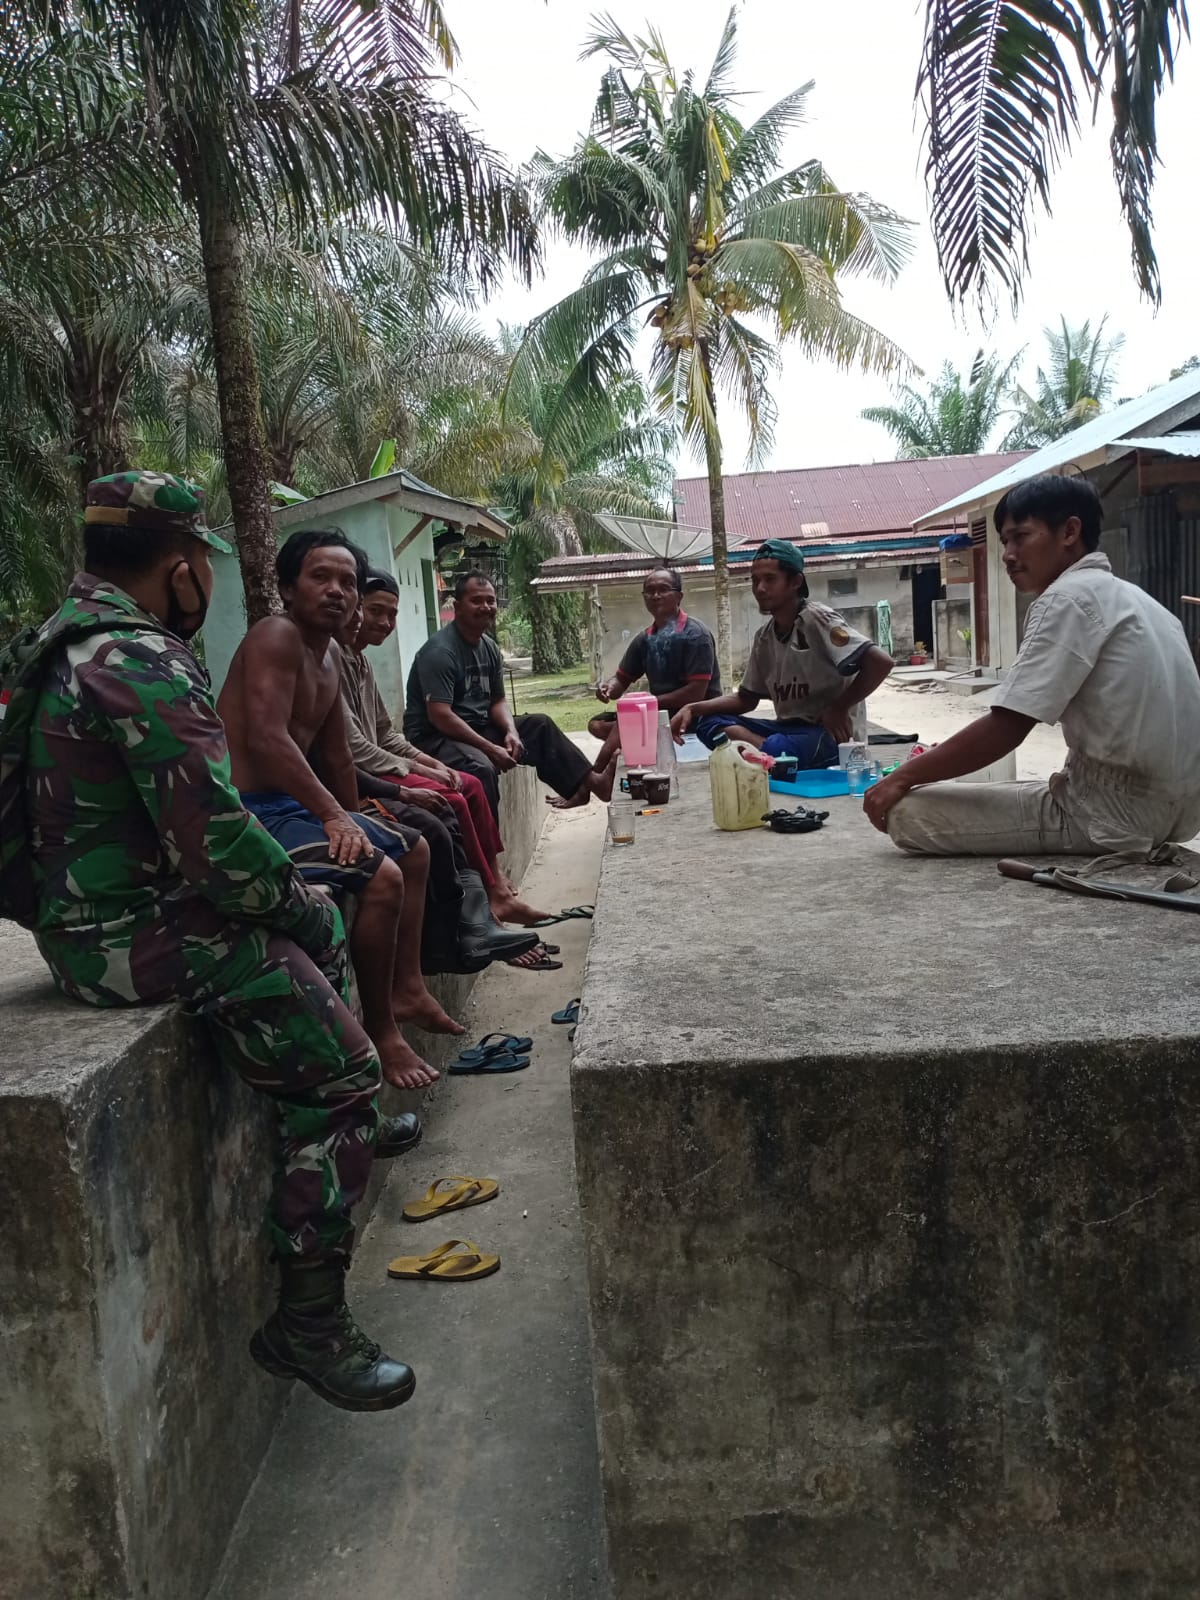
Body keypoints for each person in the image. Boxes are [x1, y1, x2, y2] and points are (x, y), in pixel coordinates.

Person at [11, 470, 414, 1411]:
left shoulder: (69, 636)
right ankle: (307, 1322)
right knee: (336, 1039)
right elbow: (220, 842)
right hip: (123, 938)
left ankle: (331, 1094)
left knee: (308, 898)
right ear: (184, 567)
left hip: (94, 916)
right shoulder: (138, 659)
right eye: (200, 564)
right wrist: (300, 903)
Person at [217, 528, 463, 1097]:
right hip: (247, 812)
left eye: (347, 582)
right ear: (286, 587)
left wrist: (359, 816)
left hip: (290, 805)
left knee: (414, 845)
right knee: (382, 879)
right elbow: (268, 739)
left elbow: (333, 757)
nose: (336, 591)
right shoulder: (275, 636)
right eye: (319, 577)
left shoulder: (328, 655)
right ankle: (379, 1026)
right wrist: (335, 817)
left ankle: (407, 986)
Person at [864, 474, 1200, 857]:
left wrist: (901, 777)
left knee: (909, 811)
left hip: (1108, 815)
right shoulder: (1143, 602)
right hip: (1180, 813)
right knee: (977, 786)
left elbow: (1007, 727)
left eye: (1021, 537)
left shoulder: (1066, 599)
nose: (1008, 553)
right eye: (1005, 541)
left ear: (1070, 531)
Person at [334, 585, 539, 970]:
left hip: (383, 765)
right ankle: (476, 919)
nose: (381, 622)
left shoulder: (359, 662)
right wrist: (420, 768)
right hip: (361, 780)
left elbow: (384, 733)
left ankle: (492, 891)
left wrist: (429, 765)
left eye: (390, 614)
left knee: (471, 782)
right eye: (372, 611)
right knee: (454, 799)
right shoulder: (331, 658)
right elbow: (358, 749)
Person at [404, 570, 614, 814]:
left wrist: (511, 732)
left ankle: (591, 784)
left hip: (475, 727)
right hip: (435, 738)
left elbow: (498, 700)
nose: (485, 606)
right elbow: (440, 715)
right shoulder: (440, 652)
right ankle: (488, 849)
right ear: (458, 607)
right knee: (481, 767)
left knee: (539, 726)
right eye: (476, 601)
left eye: (490, 600)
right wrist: (490, 748)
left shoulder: (489, 647)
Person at [672, 539, 894, 763]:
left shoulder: (817, 619)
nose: (760, 588)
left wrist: (839, 707)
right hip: (787, 730)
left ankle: (769, 756)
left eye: (770, 579)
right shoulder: (764, 637)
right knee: (710, 723)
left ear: (795, 581)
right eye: (755, 580)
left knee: (779, 745)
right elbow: (746, 699)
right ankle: (771, 757)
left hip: (827, 735)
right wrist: (693, 708)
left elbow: (881, 662)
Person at [587, 566, 720, 779]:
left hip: (696, 717)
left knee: (624, 723)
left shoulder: (696, 636)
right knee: (597, 724)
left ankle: (595, 775)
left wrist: (646, 704)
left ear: (679, 596)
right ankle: (625, 752)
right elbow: (621, 679)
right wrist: (608, 688)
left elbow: (696, 693)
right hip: (656, 715)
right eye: (649, 591)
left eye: (663, 590)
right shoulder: (644, 639)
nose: (655, 596)